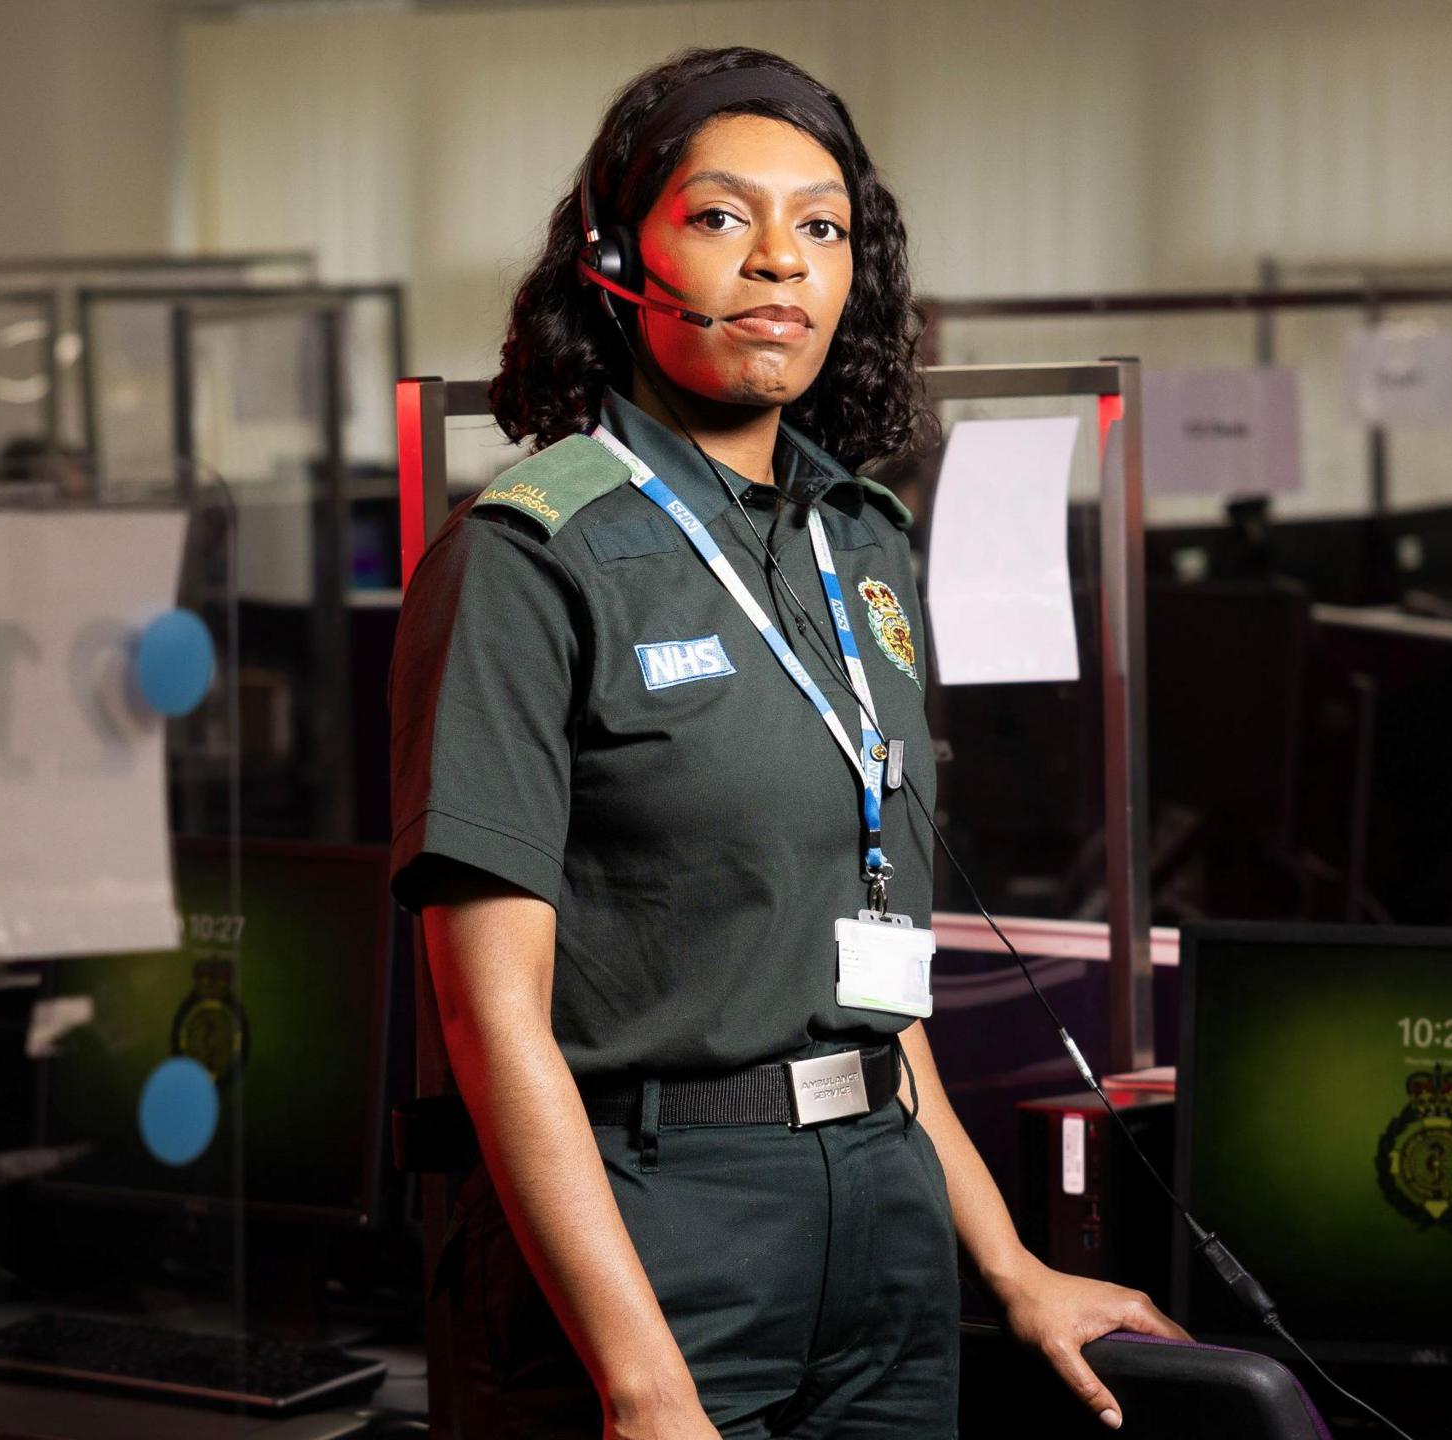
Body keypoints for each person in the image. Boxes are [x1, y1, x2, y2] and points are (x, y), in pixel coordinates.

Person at [390, 46, 1182, 1440]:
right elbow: (486, 1016)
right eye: (719, 217)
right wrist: (641, 1384)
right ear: (612, 259)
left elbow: (878, 980)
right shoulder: (530, 557)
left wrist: (1008, 1266)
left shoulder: (859, 542)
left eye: (821, 228)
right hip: (647, 1218)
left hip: (879, 1216)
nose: (779, 264)